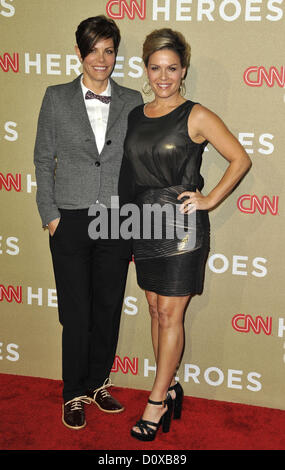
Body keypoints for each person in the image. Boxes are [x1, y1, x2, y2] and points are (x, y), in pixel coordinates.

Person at [118, 28, 251, 442]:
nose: (163, 76)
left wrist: (210, 199)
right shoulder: (135, 115)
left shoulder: (196, 114)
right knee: (156, 310)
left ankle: (156, 399)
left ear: (183, 70)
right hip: (144, 222)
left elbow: (239, 159)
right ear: (145, 69)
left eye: (171, 68)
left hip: (181, 227)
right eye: (155, 68)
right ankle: (171, 385)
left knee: (171, 314)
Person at [34, 15, 143, 430]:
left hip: (116, 220)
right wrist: (51, 217)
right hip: (71, 219)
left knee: (108, 307)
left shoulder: (134, 100)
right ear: (79, 52)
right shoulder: (56, 96)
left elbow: (138, 163)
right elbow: (43, 160)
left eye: (109, 50)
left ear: (116, 54)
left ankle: (98, 383)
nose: (102, 58)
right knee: (76, 312)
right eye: (93, 49)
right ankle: (73, 392)